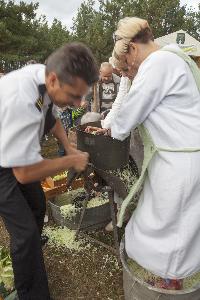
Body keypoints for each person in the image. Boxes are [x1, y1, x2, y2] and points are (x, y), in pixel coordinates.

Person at [88, 16, 200, 288]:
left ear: (133, 49)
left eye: (127, 63)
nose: (129, 69)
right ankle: (170, 274)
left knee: (173, 226)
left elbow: (128, 114)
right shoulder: (169, 59)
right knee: (168, 220)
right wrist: (109, 125)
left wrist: (109, 131)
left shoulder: (158, 63)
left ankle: (172, 279)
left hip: (180, 161)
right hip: (175, 157)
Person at [0, 42, 98, 300]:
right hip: (2, 166)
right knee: (25, 233)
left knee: (37, 205)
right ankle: (31, 293)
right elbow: (23, 173)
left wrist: (69, 148)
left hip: (13, 153)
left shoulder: (46, 77)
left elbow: (52, 120)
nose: (78, 103)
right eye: (74, 96)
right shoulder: (21, 101)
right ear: (54, 80)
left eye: (83, 95)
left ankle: (29, 254)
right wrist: (70, 162)